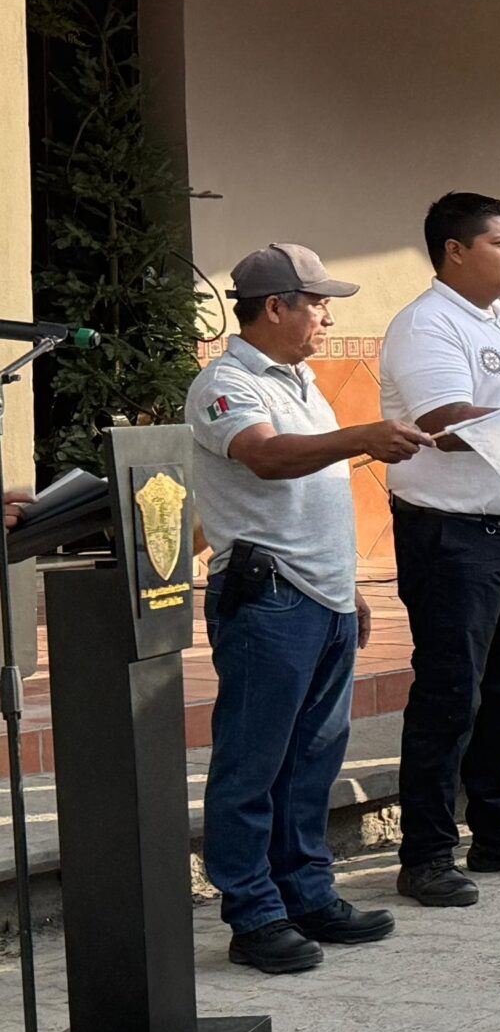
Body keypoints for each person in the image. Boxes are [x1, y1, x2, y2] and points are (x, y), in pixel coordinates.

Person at [185, 245, 431, 973]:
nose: (327, 317)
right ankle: (254, 914)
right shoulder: (225, 384)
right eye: (317, 303)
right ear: (275, 307)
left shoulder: (302, 382)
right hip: (267, 598)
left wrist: (345, 583)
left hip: (320, 596)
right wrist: (362, 435)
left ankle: (306, 893)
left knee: (312, 760)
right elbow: (267, 457)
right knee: (253, 764)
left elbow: (311, 496)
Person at [379, 192, 500, 907]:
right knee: (450, 696)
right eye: (499, 242)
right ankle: (427, 854)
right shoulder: (426, 325)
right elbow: (448, 425)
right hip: (453, 539)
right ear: (455, 251)